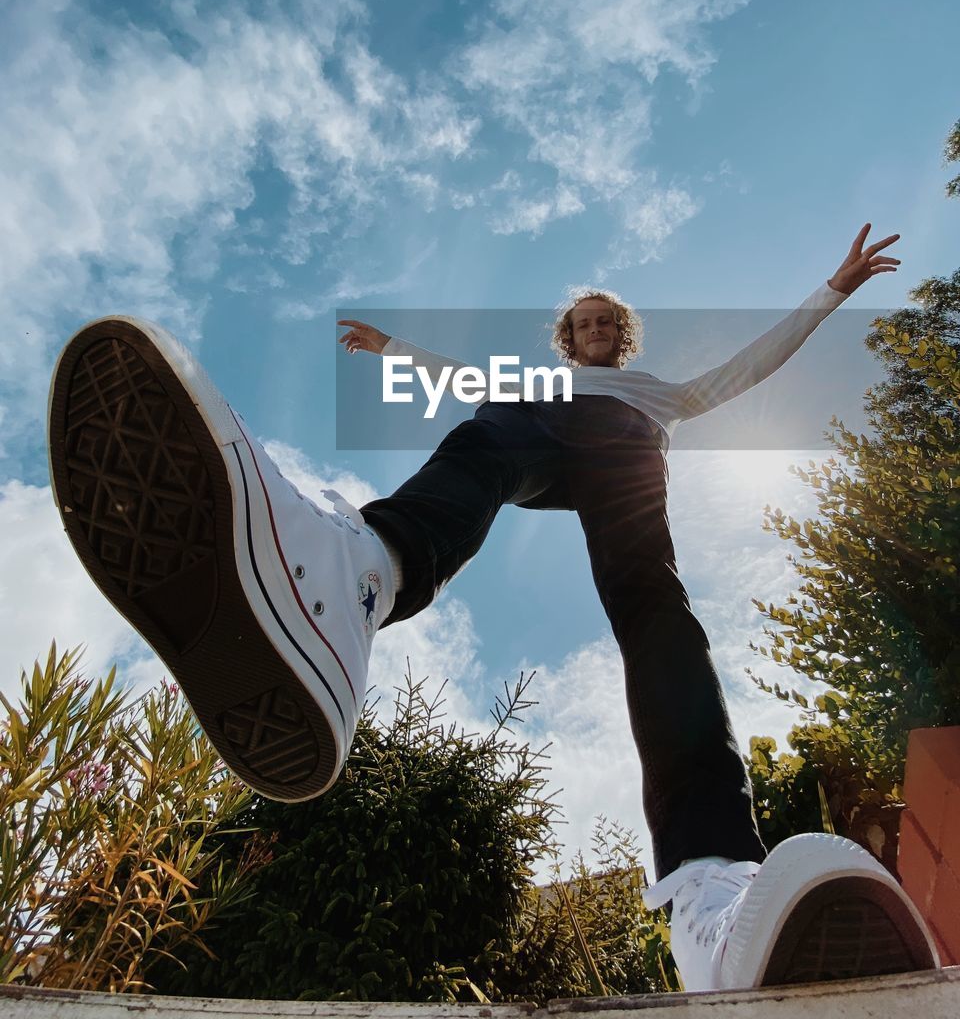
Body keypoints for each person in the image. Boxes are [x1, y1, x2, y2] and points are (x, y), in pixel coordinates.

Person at [47, 222, 938, 994]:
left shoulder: (654, 392)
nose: (592, 331)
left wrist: (833, 290)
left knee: (657, 616)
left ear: (619, 337)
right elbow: (461, 373)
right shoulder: (542, 382)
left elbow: (749, 365)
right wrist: (393, 350)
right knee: (488, 432)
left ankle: (713, 896)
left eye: (603, 323)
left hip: (627, 458)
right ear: (568, 336)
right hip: (535, 427)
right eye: (580, 323)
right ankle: (365, 573)